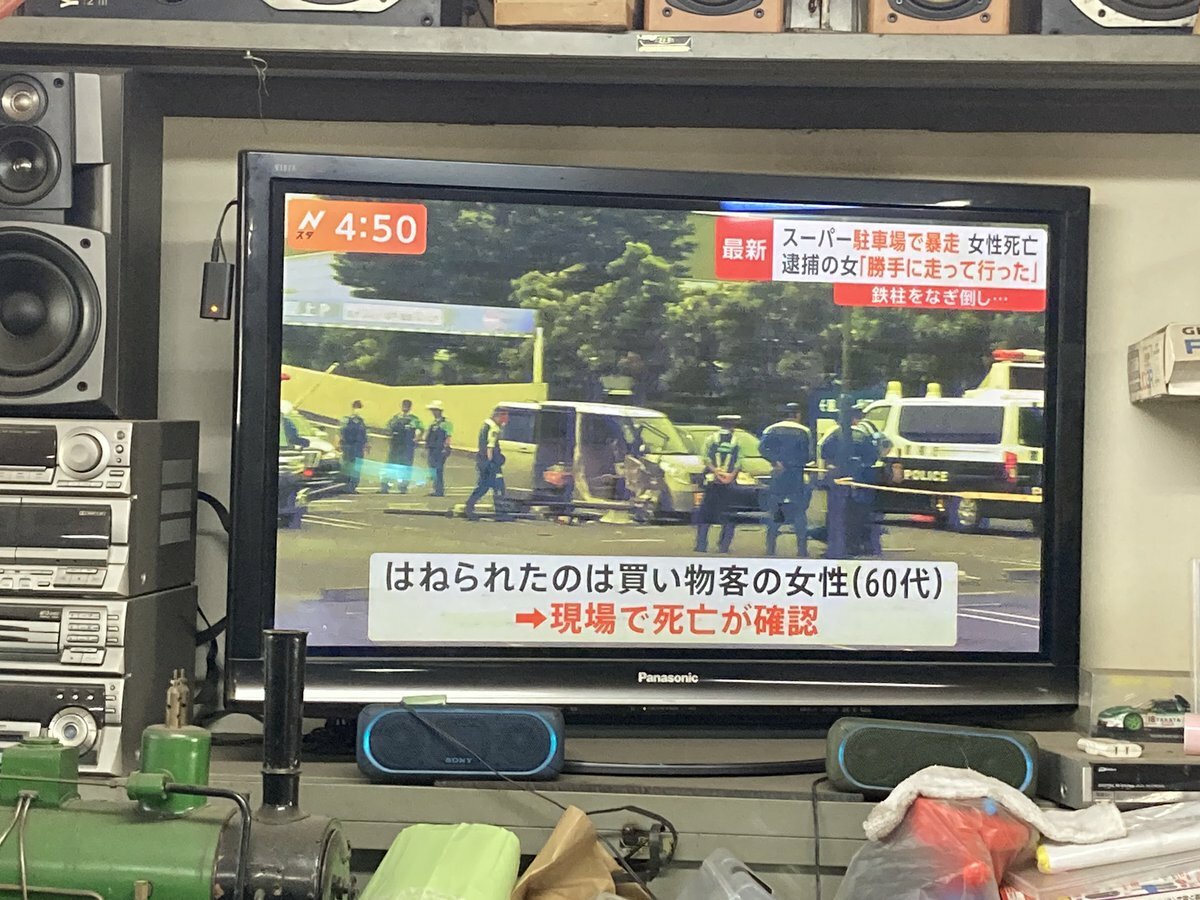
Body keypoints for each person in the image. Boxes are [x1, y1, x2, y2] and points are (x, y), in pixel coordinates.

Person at [820, 407, 888, 557]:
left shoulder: (834, 434)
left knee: (835, 515)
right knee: (856, 515)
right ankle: (854, 546)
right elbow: (872, 456)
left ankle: (834, 547)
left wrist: (831, 468)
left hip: (838, 480)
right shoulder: (864, 435)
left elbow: (824, 452)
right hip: (859, 480)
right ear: (855, 419)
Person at [759, 402, 814, 557]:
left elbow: (762, 448)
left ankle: (771, 549)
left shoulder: (771, 429)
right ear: (798, 415)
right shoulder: (804, 431)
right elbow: (809, 455)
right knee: (799, 511)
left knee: (775, 509)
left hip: (778, 474)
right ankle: (802, 550)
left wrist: (775, 461)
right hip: (796, 474)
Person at [695, 415, 742, 554]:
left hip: (712, 481)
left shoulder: (710, 439)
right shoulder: (737, 442)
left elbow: (705, 458)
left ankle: (701, 545)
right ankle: (724, 545)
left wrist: (716, 472)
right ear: (733, 426)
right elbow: (739, 462)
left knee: (705, 513)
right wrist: (730, 476)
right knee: (730, 513)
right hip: (729, 482)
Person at [464, 407, 510, 521]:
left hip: (483, 461)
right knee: (498, 486)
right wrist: (492, 463)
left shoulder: (486, 425)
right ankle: (500, 513)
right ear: (498, 415)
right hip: (489, 462)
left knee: (484, 486)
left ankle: (470, 507)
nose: (506, 419)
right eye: (504, 416)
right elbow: (490, 447)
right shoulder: (493, 428)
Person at [381, 399, 423, 494]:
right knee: (390, 465)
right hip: (395, 445)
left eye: (407, 406)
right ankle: (385, 486)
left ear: (410, 407)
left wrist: (417, 438)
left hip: (407, 446)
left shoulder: (414, 419)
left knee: (406, 466)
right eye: (404, 405)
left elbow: (420, 429)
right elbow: (388, 427)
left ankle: (403, 487)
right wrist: (389, 436)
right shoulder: (396, 418)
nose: (405, 407)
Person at [336, 400, 369, 494]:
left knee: (356, 468)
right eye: (356, 407)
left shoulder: (362, 421)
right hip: (348, 446)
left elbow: (365, 434)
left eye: (359, 407)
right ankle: (344, 486)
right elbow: (339, 432)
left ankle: (352, 486)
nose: (357, 410)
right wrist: (338, 443)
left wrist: (366, 445)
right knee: (346, 466)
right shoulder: (346, 420)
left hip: (358, 447)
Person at [424, 400, 453, 498]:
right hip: (432, 448)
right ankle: (435, 488)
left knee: (438, 469)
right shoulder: (433, 423)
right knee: (432, 469)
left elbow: (448, 436)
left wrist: (446, 447)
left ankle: (439, 489)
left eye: (434, 410)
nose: (433, 412)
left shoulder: (445, 423)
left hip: (440, 448)